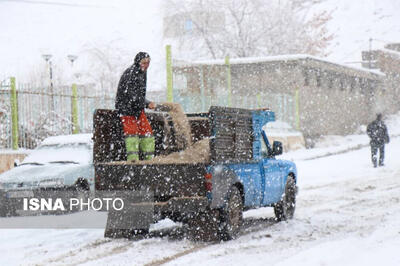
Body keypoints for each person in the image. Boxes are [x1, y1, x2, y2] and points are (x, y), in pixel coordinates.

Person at [115, 52, 156, 161]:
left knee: (147, 132)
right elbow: (132, 95)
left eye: (148, 62)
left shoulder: (143, 72)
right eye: (144, 62)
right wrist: (147, 103)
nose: (146, 65)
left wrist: (144, 103)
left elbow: (138, 95)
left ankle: (150, 159)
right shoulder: (131, 73)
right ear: (138, 62)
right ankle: (133, 160)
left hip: (137, 108)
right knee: (131, 134)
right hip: (126, 108)